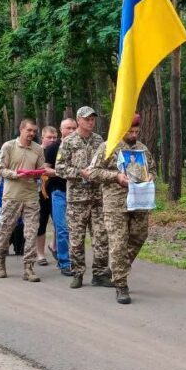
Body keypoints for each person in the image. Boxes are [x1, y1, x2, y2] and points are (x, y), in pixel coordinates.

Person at [87, 114, 155, 305]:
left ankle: (117, 267)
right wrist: (115, 177)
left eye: (136, 131)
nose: (133, 134)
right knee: (118, 243)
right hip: (116, 204)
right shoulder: (108, 147)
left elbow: (153, 169)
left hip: (139, 202)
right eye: (130, 131)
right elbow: (92, 171)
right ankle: (121, 285)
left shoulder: (142, 149)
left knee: (139, 236)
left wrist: (150, 176)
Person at [53, 107, 109, 289]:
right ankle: (77, 273)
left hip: (97, 198)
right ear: (78, 120)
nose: (91, 122)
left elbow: (104, 163)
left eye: (93, 119)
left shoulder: (99, 140)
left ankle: (100, 273)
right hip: (77, 199)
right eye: (87, 119)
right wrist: (80, 173)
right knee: (76, 239)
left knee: (101, 237)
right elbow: (60, 168)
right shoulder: (69, 141)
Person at [0, 119, 46, 281]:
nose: (31, 134)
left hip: (31, 196)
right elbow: (1, 169)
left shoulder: (38, 149)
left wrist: (36, 173)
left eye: (34, 131)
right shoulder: (8, 146)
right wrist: (17, 174)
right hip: (12, 196)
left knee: (31, 232)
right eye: (29, 130)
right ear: (21, 129)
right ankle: (0, 261)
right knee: (6, 230)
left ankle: (29, 268)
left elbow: (41, 169)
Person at [43, 119, 75, 275]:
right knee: (62, 228)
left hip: (77, 193)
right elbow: (46, 170)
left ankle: (75, 259)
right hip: (58, 192)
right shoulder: (53, 148)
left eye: (73, 128)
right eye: (68, 128)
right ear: (61, 130)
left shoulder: (79, 147)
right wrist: (66, 172)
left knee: (75, 229)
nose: (71, 130)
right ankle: (64, 262)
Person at [35, 126, 59, 265]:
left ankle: (54, 245)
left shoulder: (58, 150)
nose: (52, 140)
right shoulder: (37, 151)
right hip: (40, 191)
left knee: (58, 222)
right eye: (49, 137)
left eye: (54, 138)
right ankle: (40, 254)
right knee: (41, 222)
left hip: (56, 189)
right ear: (42, 137)